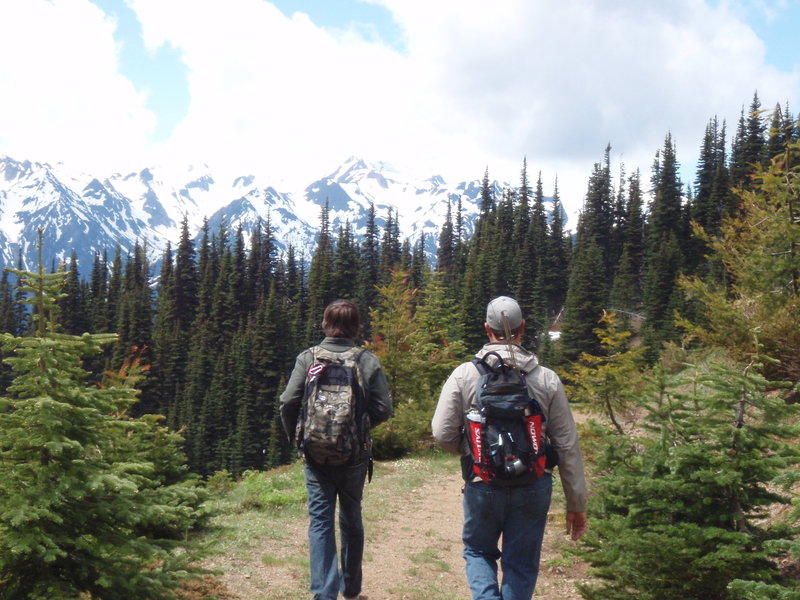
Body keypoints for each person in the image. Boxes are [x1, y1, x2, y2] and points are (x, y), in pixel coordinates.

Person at [432, 295, 588, 600]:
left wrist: (472, 451)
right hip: (534, 482)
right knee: (521, 564)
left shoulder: (465, 374)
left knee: (478, 552)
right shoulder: (547, 378)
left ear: (486, 328)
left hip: (483, 481)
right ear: (523, 328)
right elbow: (566, 444)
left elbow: (441, 432)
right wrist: (576, 503)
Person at [280, 299, 392, 600]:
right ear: (357, 327)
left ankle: (324, 593)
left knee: (320, 521)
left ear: (325, 324)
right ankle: (351, 588)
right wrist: (360, 427)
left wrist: (297, 436)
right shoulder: (367, 360)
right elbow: (384, 408)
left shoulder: (308, 357)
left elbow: (288, 401)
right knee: (352, 517)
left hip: (315, 453)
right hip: (354, 454)